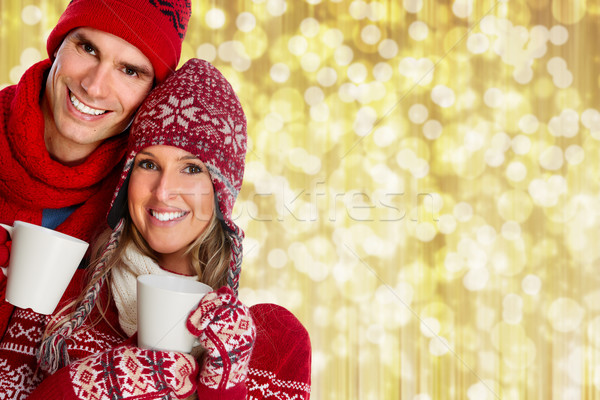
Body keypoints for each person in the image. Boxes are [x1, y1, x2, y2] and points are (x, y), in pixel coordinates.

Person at [0, 59, 311, 399]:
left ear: (222, 190)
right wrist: (83, 386)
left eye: (191, 169)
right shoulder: (60, 300)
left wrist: (227, 388)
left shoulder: (277, 343)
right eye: (148, 164)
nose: (163, 191)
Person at [0, 0, 192, 335]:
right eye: (87, 48)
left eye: (130, 70)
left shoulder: (146, 200)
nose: (94, 86)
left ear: (152, 94)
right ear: (58, 46)